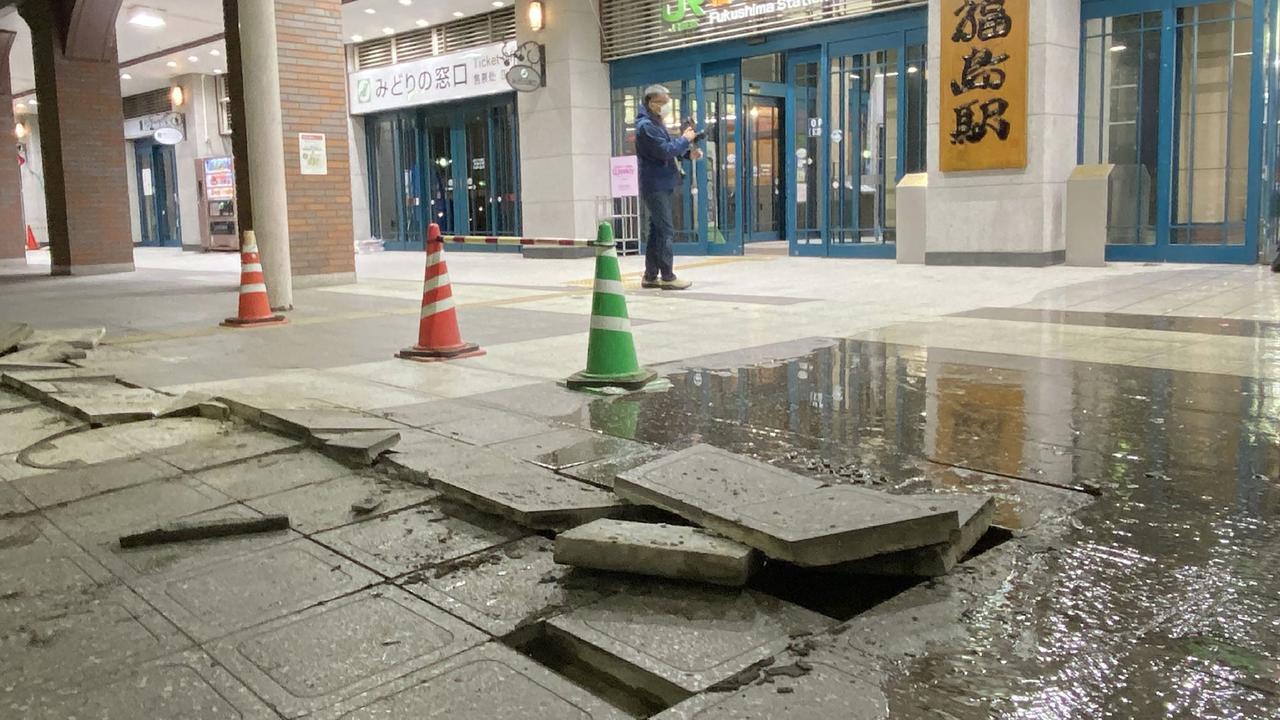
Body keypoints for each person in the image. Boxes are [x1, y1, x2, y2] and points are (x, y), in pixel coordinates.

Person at [635, 84, 701, 290]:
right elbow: (664, 151)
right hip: (655, 184)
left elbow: (668, 151)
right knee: (665, 230)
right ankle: (668, 277)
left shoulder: (655, 123)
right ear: (651, 102)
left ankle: (650, 276)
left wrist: (687, 154)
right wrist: (684, 139)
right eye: (662, 103)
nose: (666, 107)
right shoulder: (646, 126)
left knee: (657, 230)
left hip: (663, 182)